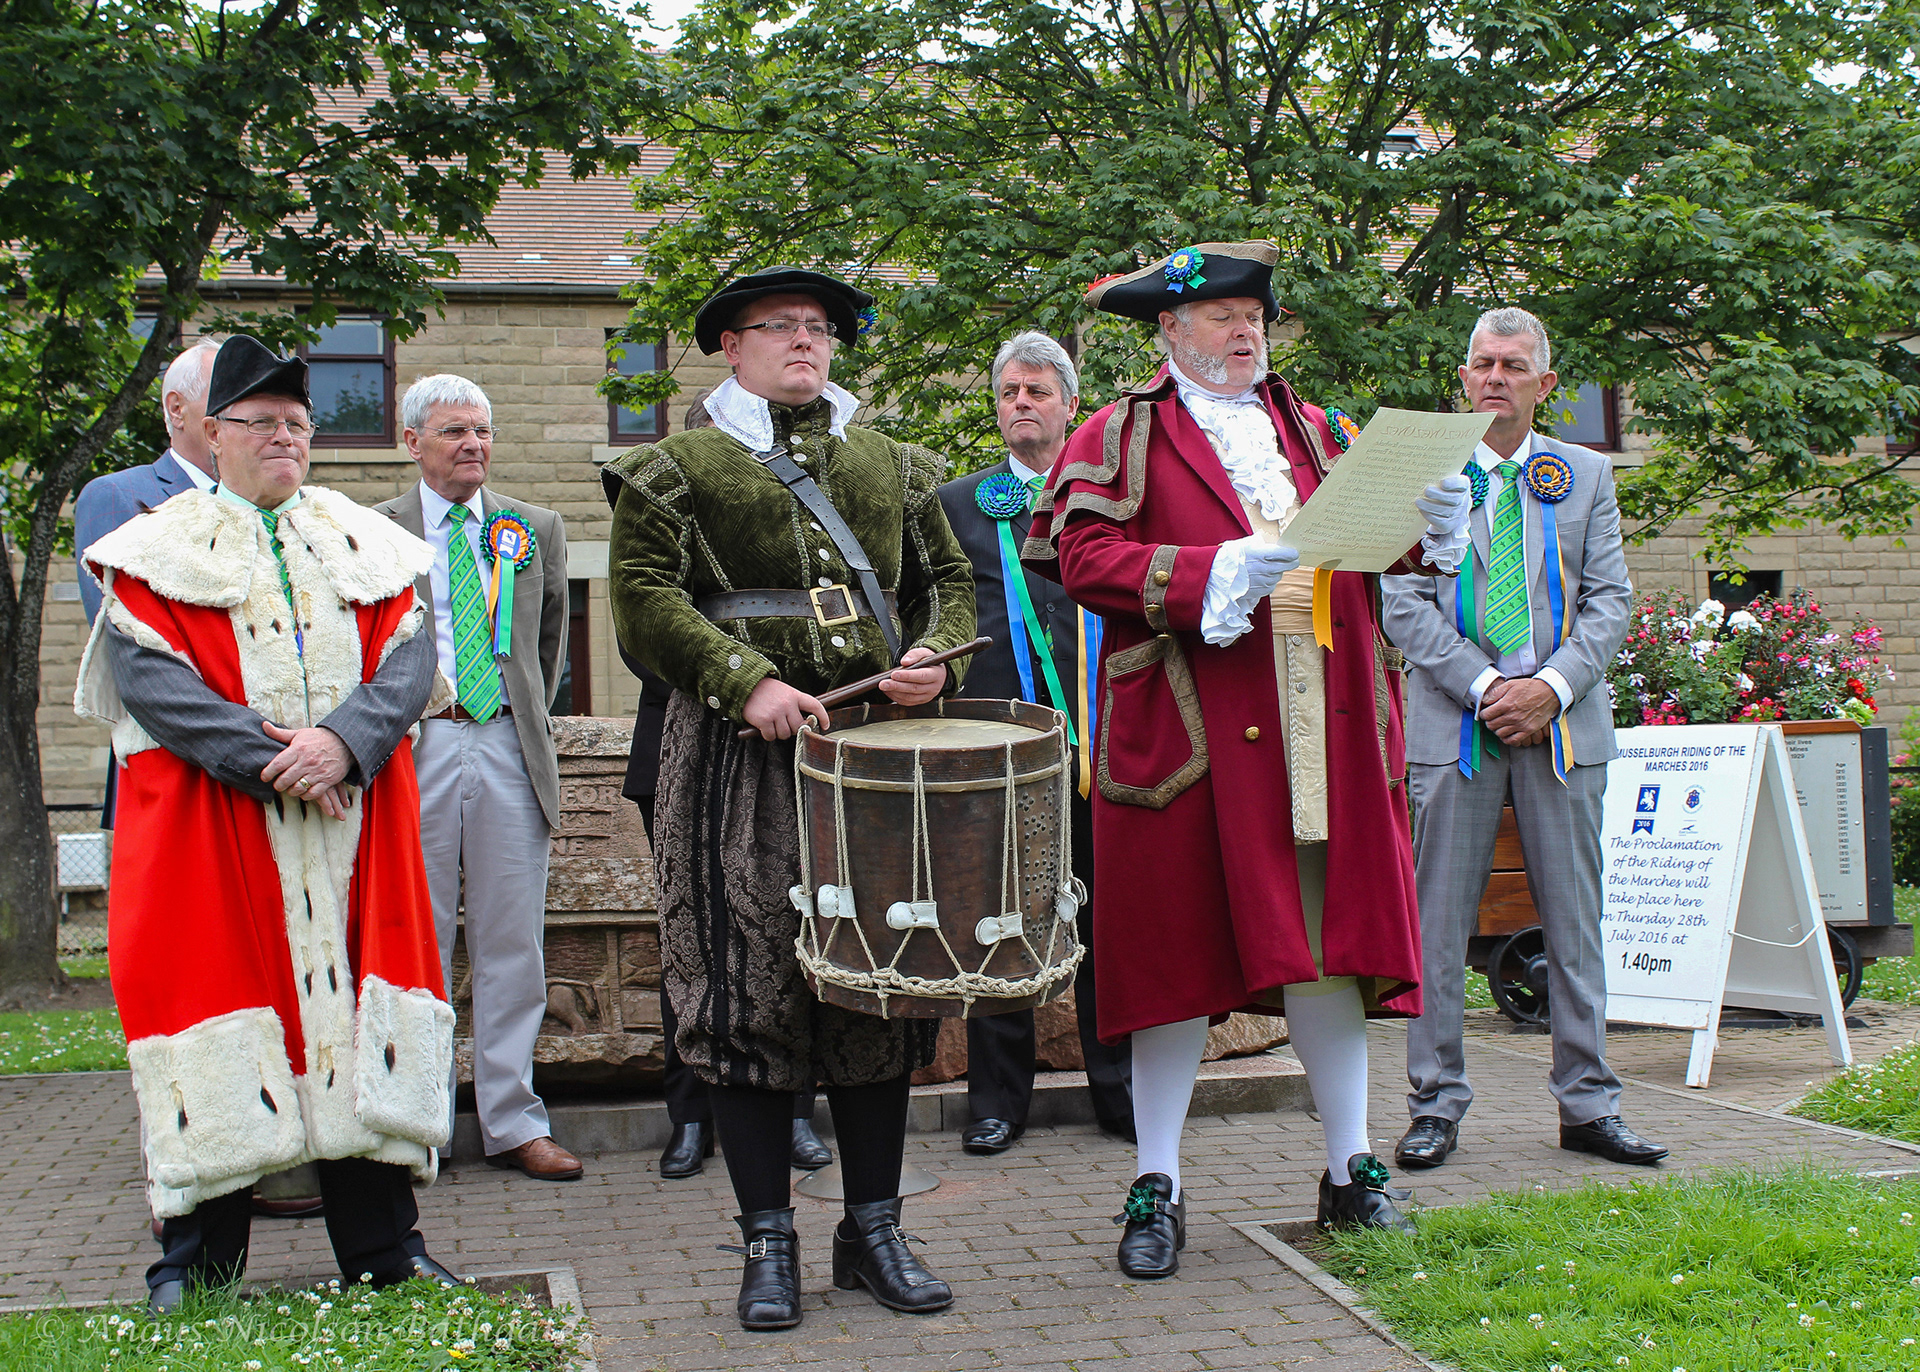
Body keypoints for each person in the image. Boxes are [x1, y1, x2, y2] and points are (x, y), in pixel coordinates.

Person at [1022, 241, 1473, 1275]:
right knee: (1176, 958)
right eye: (1221, 317)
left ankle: (1350, 1168)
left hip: (1327, 723)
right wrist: (1210, 569)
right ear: (1170, 333)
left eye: (1254, 318)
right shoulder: (1117, 432)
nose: (1243, 334)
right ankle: (1159, 1178)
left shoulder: (1321, 429)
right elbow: (1082, 558)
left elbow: (1375, 546)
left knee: (1327, 949)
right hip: (1189, 731)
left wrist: (1431, 525)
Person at [604, 266, 976, 1331]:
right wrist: (744, 680)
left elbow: (945, 581)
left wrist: (933, 656)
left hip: (872, 757)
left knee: (876, 985)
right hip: (735, 763)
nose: (806, 342)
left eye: (821, 328)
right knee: (744, 991)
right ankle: (767, 1239)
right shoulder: (672, 470)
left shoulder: (898, 464)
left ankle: (873, 1228)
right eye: (783, 328)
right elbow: (640, 604)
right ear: (732, 344)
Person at [74, 334, 459, 1310]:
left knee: (355, 1023)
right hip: (220, 832)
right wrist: (280, 763)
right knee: (221, 1022)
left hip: (350, 831)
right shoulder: (156, 548)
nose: (284, 438)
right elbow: (154, 682)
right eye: (261, 422)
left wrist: (344, 745)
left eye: (298, 423)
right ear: (212, 434)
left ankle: (385, 1248)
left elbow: (409, 659)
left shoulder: (362, 538)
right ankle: (194, 1267)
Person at [1381, 307, 1664, 1169]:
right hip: (1453, 727)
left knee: (1576, 923)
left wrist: (1546, 687)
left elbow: (1611, 600)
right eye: (1481, 364)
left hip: (1562, 731)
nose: (1494, 377)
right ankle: (1434, 1104)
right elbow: (1399, 603)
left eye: (1513, 365)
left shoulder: (1583, 474)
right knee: (1435, 924)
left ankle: (1588, 1106)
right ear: (1462, 380)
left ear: (1546, 384)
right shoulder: (1421, 473)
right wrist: (1485, 687)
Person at [620, 387, 834, 1181]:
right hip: (683, 751)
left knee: (791, 938)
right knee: (696, 943)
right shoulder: (662, 507)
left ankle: (795, 1112)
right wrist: (734, 666)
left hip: (793, 745)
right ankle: (690, 1115)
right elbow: (643, 636)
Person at [375, 375, 583, 1183]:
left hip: (503, 748)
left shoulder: (532, 527)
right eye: (456, 431)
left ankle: (512, 1120)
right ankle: (415, 1124)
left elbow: (548, 649)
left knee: (511, 946)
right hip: (411, 749)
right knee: (414, 943)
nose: (474, 445)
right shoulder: (370, 530)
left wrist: (512, 715)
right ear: (412, 441)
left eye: (484, 432)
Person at [937, 331, 1133, 1152]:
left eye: (1039, 391)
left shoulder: (1113, 495)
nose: (1023, 402)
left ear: (1070, 406)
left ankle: (1120, 1091)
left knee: (1111, 921)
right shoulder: (955, 505)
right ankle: (996, 1099)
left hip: (1109, 747)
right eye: (1011, 391)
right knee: (999, 922)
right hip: (1001, 748)